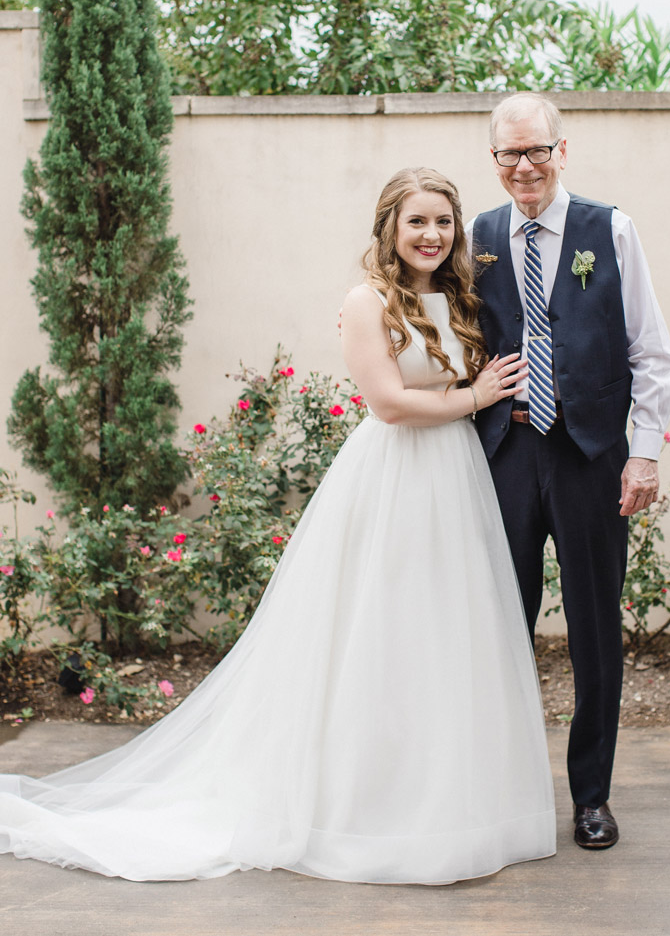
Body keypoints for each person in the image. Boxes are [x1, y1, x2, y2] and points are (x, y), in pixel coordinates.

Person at [0, 167, 556, 884]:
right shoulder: (366, 301)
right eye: (416, 221)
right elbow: (387, 404)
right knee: (375, 633)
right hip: (393, 478)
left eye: (443, 222)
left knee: (441, 633)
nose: (431, 234)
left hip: (455, 479)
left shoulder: (458, 297)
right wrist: (474, 394)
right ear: (389, 226)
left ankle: (439, 796)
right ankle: (360, 803)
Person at [469, 94, 670, 850]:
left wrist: (644, 450)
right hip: (506, 456)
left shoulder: (608, 228)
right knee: (498, 629)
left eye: (535, 151)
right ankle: (504, 790)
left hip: (590, 456)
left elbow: (650, 350)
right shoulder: (478, 236)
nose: (522, 167)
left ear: (562, 149)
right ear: (492, 161)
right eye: (507, 155)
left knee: (593, 631)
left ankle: (591, 795)